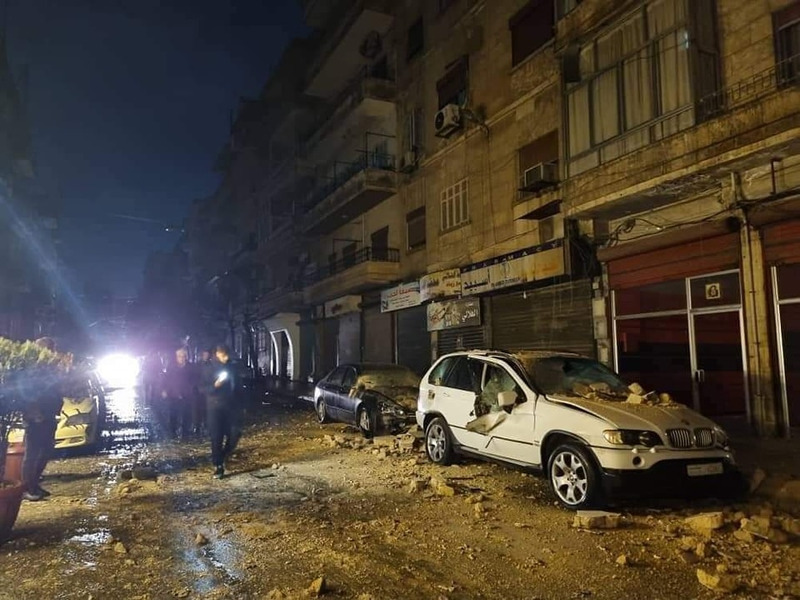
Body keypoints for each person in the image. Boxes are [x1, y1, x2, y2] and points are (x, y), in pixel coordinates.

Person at [21, 337, 64, 502]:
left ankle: (34, 484)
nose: (54, 353)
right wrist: (34, 412)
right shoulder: (32, 369)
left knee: (45, 451)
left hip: (48, 414)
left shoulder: (49, 369)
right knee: (32, 453)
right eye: (51, 349)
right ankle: (27, 488)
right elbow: (27, 392)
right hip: (36, 417)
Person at [201, 345, 237, 479]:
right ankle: (218, 465)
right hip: (214, 407)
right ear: (216, 354)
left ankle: (222, 456)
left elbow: (238, 386)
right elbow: (201, 387)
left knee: (234, 433)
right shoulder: (208, 368)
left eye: (226, 355)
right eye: (223, 355)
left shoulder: (231, 367)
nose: (226, 358)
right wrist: (214, 386)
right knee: (217, 437)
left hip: (230, 407)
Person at [161, 347, 196, 439]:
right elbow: (166, 379)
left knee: (187, 415)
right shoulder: (171, 367)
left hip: (186, 395)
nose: (181, 358)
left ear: (186, 357)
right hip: (174, 394)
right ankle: (173, 432)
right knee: (173, 414)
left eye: (183, 356)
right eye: (179, 356)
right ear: (176, 357)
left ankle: (185, 433)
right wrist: (165, 390)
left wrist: (191, 389)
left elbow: (194, 380)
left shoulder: (190, 367)